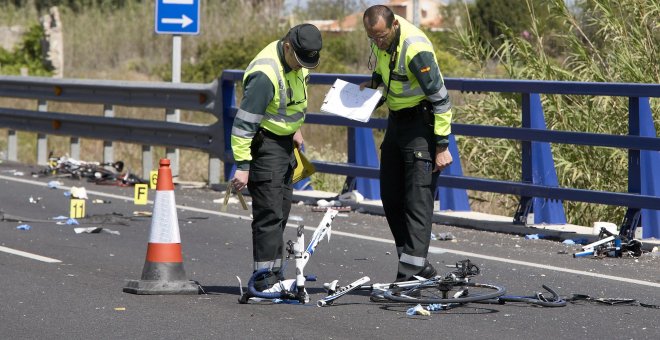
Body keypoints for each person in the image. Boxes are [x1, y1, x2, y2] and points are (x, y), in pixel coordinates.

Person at [360, 5, 453, 291]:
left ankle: (409, 273)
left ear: (394, 27)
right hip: (397, 124)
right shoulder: (383, 41)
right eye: (372, 38)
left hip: (421, 128)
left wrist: (441, 146)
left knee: (417, 201)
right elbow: (387, 74)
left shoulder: (415, 48)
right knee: (390, 195)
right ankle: (415, 265)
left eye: (382, 37)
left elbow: (441, 100)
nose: (378, 43)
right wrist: (372, 85)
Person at [230, 24, 322, 291]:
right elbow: (243, 125)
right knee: (268, 214)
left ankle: (273, 274)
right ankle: (263, 281)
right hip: (265, 144)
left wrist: (296, 129)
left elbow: (292, 101)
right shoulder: (265, 74)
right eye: (299, 60)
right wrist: (243, 167)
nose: (301, 66)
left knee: (281, 210)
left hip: (285, 144)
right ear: (287, 47)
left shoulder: (300, 62)